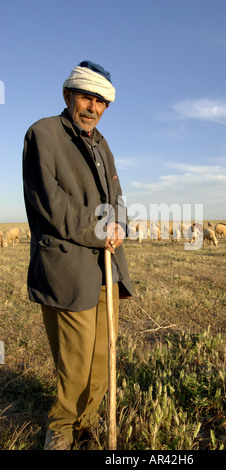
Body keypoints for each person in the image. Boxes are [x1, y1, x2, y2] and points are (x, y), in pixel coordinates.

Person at [22, 60, 133, 450]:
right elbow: (49, 202)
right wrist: (100, 229)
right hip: (67, 267)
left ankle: (86, 423)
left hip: (106, 267)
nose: (95, 108)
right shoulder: (44, 134)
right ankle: (61, 430)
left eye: (102, 101)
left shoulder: (102, 144)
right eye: (88, 97)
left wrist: (119, 225)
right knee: (75, 363)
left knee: (103, 360)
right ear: (69, 94)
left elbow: (117, 198)